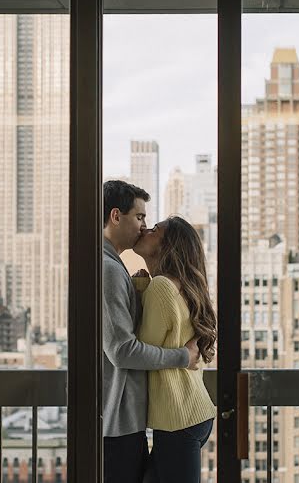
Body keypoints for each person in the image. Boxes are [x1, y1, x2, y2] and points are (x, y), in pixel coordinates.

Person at [102, 180, 201, 483]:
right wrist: (182, 357)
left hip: (125, 419)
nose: (144, 226)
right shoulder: (107, 268)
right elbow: (121, 350)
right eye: (140, 217)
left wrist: (140, 289)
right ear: (116, 216)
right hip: (116, 422)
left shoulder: (116, 267)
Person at [133, 216, 217, 483]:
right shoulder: (180, 285)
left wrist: (138, 292)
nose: (145, 229)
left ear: (168, 246)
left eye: (155, 230)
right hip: (192, 413)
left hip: (177, 419)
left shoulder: (160, 287)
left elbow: (141, 351)